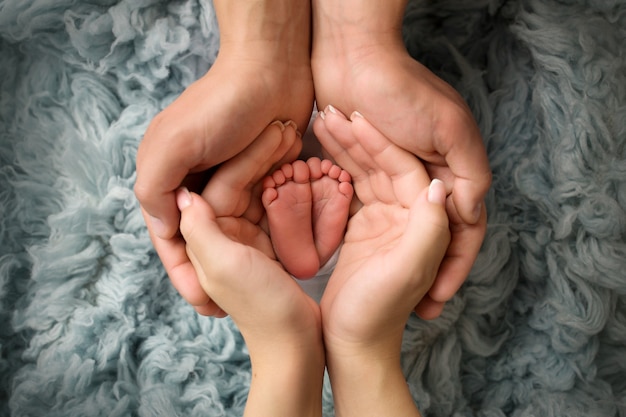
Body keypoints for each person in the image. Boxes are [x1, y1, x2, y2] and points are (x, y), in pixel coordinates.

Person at [135, 0, 491, 318]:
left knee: (275, 233)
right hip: (364, 154)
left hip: (267, 150)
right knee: (356, 226)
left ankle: (307, 257)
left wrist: (261, 56)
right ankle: (315, 255)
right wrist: (358, 51)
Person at [177, 109, 451, 416]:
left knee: (294, 328)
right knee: (349, 320)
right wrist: (362, 345)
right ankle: (323, 259)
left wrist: (281, 343)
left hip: (284, 259)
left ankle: (309, 265)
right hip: (356, 248)